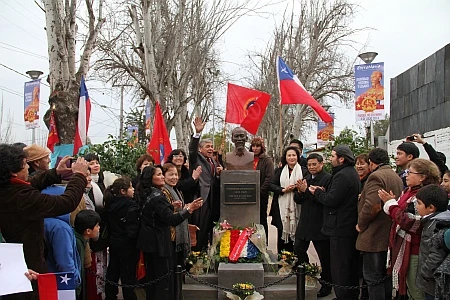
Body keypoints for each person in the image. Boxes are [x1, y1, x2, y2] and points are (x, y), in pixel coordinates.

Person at [0, 144, 88, 300]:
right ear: (13, 172)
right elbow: (66, 203)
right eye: (24, 165)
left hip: (13, 271)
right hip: (25, 276)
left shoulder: (7, 189)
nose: (28, 167)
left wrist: (55, 173)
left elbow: (31, 183)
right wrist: (79, 176)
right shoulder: (22, 198)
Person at [135, 165, 203, 300]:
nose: (162, 177)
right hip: (158, 242)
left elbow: (155, 213)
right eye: (159, 175)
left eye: (161, 174)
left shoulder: (147, 192)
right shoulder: (158, 196)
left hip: (148, 242)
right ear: (150, 178)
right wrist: (189, 209)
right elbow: (171, 219)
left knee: (152, 278)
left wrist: (171, 206)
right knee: (161, 280)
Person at [380, 158, 441, 300]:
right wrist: (393, 205)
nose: (406, 175)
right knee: (409, 289)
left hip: (414, 249)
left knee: (416, 290)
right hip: (402, 245)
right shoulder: (408, 191)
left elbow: (413, 222)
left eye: (410, 172)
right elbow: (399, 215)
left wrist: (391, 205)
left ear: (422, 177)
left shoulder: (423, 195)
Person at [309, 144, 361, 300]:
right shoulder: (349, 173)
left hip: (340, 227)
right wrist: (325, 191)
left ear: (341, 159)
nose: (330, 159)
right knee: (348, 266)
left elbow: (332, 200)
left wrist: (317, 192)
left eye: (332, 156)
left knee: (340, 267)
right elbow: (338, 196)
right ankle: (350, 294)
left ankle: (343, 296)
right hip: (346, 226)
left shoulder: (343, 175)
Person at [356, 148, 403, 300]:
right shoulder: (394, 175)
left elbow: (372, 205)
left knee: (373, 277)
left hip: (375, 234)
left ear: (371, 163)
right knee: (384, 277)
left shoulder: (376, 176)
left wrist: (361, 224)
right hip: (387, 232)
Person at [293, 153, 332, 298]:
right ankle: (308, 274)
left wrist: (306, 192)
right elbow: (298, 199)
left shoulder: (327, 179)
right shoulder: (306, 179)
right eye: (309, 165)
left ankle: (327, 284)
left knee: (324, 257)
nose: (311, 167)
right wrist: (299, 191)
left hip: (320, 223)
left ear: (321, 164)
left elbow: (324, 200)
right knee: (298, 248)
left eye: (314, 164)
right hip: (305, 222)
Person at [188, 117, 223, 251]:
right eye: (207, 146)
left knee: (209, 227)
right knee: (200, 227)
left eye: (211, 147)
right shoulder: (196, 159)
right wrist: (197, 134)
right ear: (200, 149)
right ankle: (196, 254)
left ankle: (205, 250)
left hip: (212, 199)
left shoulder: (213, 161)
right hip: (201, 198)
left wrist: (220, 173)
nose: (210, 149)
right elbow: (192, 150)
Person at [104, 177, 140, 300]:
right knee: (128, 276)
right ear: (123, 191)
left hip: (114, 242)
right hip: (128, 245)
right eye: (130, 187)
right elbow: (133, 228)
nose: (133, 189)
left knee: (113, 270)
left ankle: (110, 295)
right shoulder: (130, 205)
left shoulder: (110, 203)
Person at [415, 185, 450, 300]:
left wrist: (425, 272)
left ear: (431, 207)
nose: (416, 206)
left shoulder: (436, 225)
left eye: (419, 203)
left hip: (433, 282)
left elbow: (436, 254)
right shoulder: (432, 221)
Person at [269, 146, 303, 253]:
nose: (292, 157)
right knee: (282, 237)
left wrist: (297, 188)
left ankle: (296, 265)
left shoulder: (304, 170)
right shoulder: (279, 171)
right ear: (285, 157)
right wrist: (283, 190)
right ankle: (282, 264)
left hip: (298, 207)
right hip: (281, 208)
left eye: (294, 155)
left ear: (298, 157)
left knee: (297, 240)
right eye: (289, 155)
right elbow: (271, 185)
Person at [161, 163, 192, 272]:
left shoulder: (177, 190)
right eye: (171, 175)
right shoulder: (163, 191)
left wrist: (186, 208)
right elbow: (166, 214)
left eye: (176, 174)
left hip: (178, 232)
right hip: (171, 234)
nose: (174, 177)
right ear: (163, 176)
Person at [249, 137, 274, 240]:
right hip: (248, 194)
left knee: (261, 219)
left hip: (261, 195)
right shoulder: (248, 159)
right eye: (253, 146)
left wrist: (260, 191)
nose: (255, 148)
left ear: (261, 147)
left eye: (257, 146)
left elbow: (269, 178)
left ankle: (264, 242)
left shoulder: (267, 160)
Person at [74, 210, 101, 300]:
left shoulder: (81, 240)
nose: (99, 228)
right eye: (97, 226)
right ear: (88, 231)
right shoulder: (78, 243)